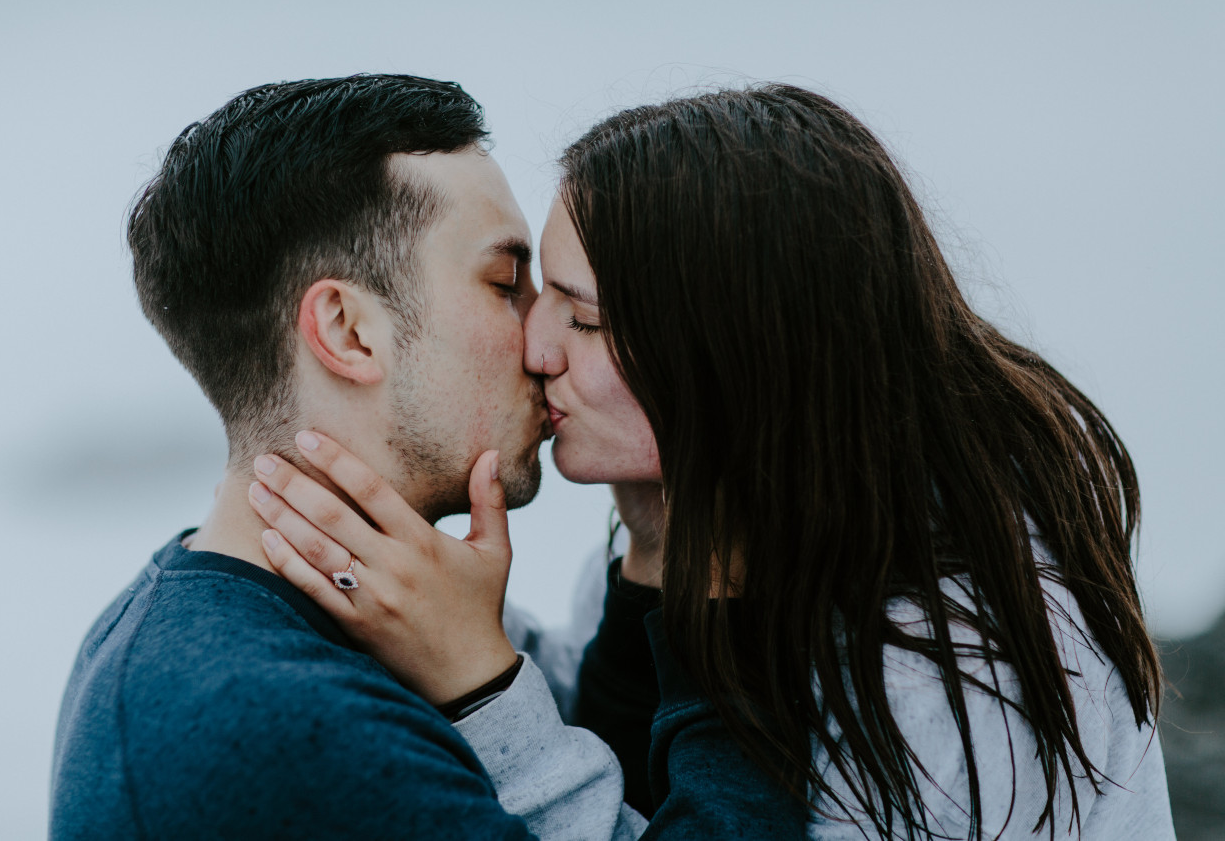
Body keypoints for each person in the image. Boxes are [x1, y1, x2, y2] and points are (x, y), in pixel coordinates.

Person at [251, 85, 1177, 839]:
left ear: (736, 359)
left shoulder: (952, 667)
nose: (535, 343)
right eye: (531, 292)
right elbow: (633, 760)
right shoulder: (680, 522)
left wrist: (484, 686)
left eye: (587, 319)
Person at [49, 74, 651, 840]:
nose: (542, 340)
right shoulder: (293, 725)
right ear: (348, 330)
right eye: (505, 284)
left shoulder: (179, 624)